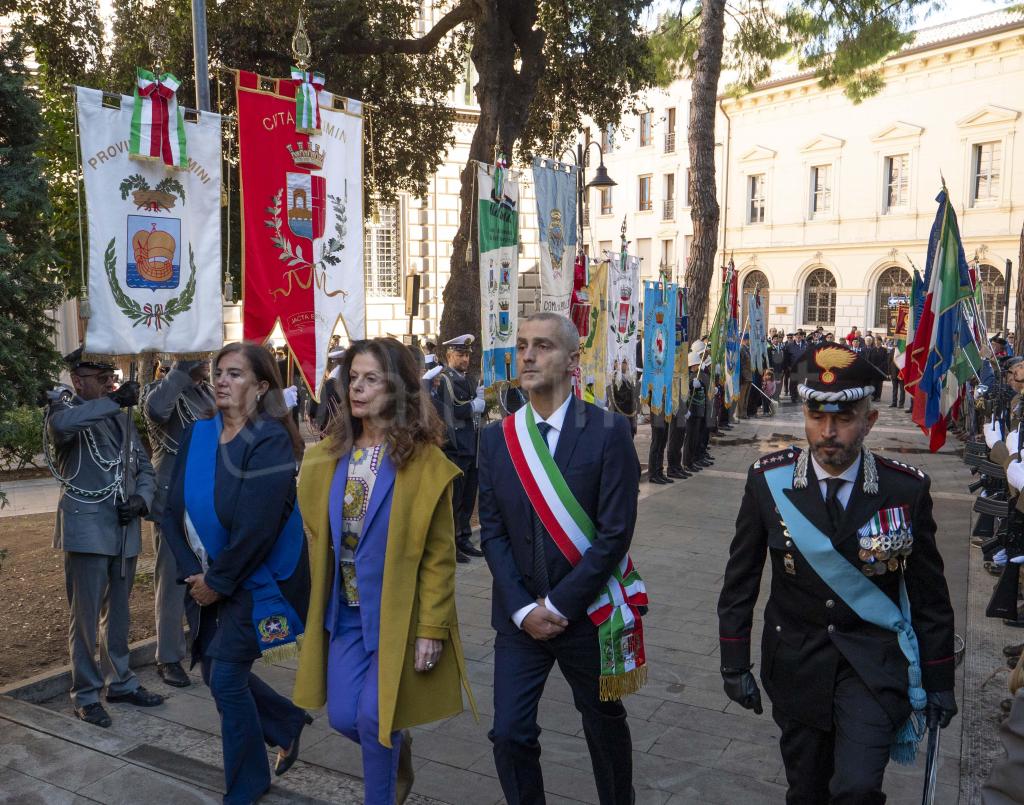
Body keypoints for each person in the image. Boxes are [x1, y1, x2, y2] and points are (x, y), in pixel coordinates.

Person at [717, 343, 958, 804]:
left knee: (857, 788)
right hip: (796, 662)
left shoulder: (904, 489)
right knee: (805, 791)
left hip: (872, 664)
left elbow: (929, 594)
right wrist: (733, 661)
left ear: (869, 421)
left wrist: (939, 678)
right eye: (816, 415)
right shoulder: (768, 481)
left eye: (844, 418)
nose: (828, 432)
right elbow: (740, 579)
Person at [292, 338, 475, 805]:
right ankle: (399, 746)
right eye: (353, 378)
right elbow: (318, 533)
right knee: (343, 719)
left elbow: (439, 557)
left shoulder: (424, 464)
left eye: (370, 379)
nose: (357, 388)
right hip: (345, 615)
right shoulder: (327, 460)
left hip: (398, 618)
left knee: (374, 719)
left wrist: (431, 628)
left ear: (396, 388)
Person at [478, 313, 644, 805]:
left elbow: (615, 533)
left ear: (573, 360)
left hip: (587, 614)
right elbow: (492, 532)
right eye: (523, 345)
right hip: (519, 617)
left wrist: (561, 604)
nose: (527, 356)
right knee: (508, 733)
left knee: (604, 725)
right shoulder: (496, 438)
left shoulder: (609, 430)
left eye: (543, 346)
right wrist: (525, 609)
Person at [160, 342, 312, 804]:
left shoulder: (270, 439)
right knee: (213, 670)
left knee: (225, 677)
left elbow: (256, 526)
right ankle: (285, 722)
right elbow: (169, 511)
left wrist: (218, 582)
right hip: (206, 576)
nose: (222, 381)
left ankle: (247, 786)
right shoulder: (197, 434)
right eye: (218, 373)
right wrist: (193, 574)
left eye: (236, 374)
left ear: (262, 385)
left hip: (259, 578)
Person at [46, 349, 163, 727]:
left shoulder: (120, 417)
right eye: (100, 377)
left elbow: (144, 467)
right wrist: (113, 400)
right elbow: (63, 428)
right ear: (78, 379)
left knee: (119, 615)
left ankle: (121, 682)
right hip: (87, 531)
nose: (109, 382)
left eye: (109, 376)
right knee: (83, 619)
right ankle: (85, 692)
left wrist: (141, 499)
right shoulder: (63, 411)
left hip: (123, 528)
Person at [142, 359, 215, 688]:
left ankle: (209, 646)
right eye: (201, 355)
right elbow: (157, 411)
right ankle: (168, 657)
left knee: (208, 574)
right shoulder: (161, 392)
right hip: (172, 499)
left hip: (206, 495)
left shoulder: (206, 392)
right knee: (172, 581)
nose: (208, 360)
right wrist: (180, 369)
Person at [435, 334, 485, 562]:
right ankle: (452, 543)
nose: (465, 359)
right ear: (449, 355)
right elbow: (449, 411)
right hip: (456, 446)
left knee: (467, 497)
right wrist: (473, 406)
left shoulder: (468, 378)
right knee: (455, 500)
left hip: (472, 445)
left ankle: (464, 537)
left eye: (467, 355)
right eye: (460, 354)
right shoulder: (444, 379)